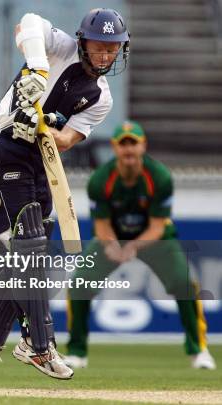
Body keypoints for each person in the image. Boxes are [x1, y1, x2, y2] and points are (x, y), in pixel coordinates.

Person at [0, 8, 130, 384]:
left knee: (27, 252)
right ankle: (40, 345)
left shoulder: (101, 98)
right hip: (2, 151)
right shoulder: (60, 49)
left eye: (113, 49)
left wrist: (42, 124)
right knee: (27, 248)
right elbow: (28, 22)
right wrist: (37, 69)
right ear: (83, 42)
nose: (105, 56)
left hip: (42, 163)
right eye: (99, 47)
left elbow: (68, 139)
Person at [64, 121, 216, 370]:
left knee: (184, 284)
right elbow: (101, 224)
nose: (128, 150)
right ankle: (76, 352)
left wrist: (133, 246)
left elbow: (157, 226)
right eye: (123, 144)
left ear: (143, 145)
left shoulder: (160, 177)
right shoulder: (100, 180)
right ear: (114, 148)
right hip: (112, 237)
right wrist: (112, 245)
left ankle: (199, 350)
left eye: (133, 143)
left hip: (156, 239)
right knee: (80, 284)